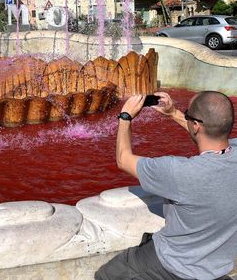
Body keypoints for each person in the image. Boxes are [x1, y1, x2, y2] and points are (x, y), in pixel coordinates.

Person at [95, 91, 237, 280]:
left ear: (196, 125)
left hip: (172, 264)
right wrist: (173, 113)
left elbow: (123, 159)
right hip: (215, 269)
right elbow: (210, 134)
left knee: (106, 275)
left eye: (188, 115)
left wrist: (125, 117)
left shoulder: (180, 172)